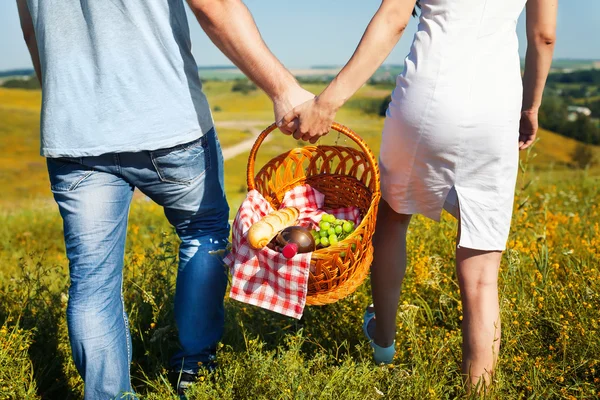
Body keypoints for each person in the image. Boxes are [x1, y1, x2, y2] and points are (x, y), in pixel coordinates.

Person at [16, 0, 312, 398]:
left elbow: (33, 30)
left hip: (75, 134)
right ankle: (194, 367)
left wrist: (71, 102)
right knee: (203, 234)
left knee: (92, 283)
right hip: (168, 122)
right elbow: (215, 6)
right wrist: (283, 88)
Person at [281, 0, 557, 389]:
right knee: (481, 274)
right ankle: (478, 392)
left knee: (393, 219)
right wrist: (530, 108)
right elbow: (543, 37)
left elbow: (394, 19)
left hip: (426, 99)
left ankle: (383, 342)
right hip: (496, 109)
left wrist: (326, 103)